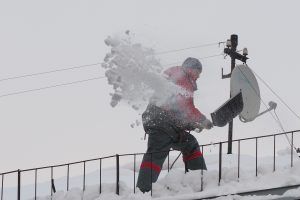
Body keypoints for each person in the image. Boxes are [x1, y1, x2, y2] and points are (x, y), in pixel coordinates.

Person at [136, 57, 213, 193]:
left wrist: (192, 125)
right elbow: (186, 108)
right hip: (161, 123)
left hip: (165, 123)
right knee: (157, 153)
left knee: (189, 143)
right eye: (198, 73)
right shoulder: (184, 79)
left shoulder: (176, 76)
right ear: (192, 69)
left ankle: (198, 180)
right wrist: (203, 120)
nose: (198, 77)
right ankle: (143, 192)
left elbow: (178, 110)